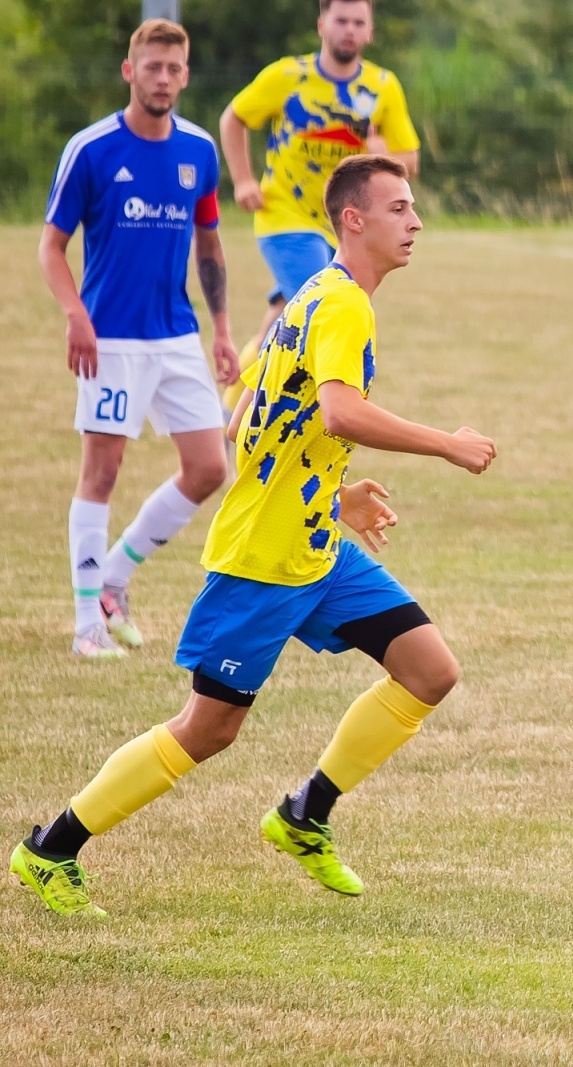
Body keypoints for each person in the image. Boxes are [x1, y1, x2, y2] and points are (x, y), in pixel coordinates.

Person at [10, 156, 498, 918]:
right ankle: (51, 848)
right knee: (208, 728)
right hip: (264, 561)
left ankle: (305, 813)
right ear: (354, 221)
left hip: (314, 548)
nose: (417, 221)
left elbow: (249, 422)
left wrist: (333, 497)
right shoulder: (340, 307)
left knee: (429, 669)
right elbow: (336, 412)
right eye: (400, 208)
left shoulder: (309, 299)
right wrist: (447, 443)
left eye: (415, 207)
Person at [39, 19, 239, 660]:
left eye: (174, 69)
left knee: (210, 467)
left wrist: (223, 331)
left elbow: (209, 245)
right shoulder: (92, 149)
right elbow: (50, 247)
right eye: (152, 67)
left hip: (177, 334)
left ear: (185, 75)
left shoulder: (200, 150)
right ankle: (86, 627)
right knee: (101, 473)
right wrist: (76, 315)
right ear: (130, 71)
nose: (163, 78)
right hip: (112, 340)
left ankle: (115, 580)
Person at [219, 0, 420, 411]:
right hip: (285, 216)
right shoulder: (288, 76)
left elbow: (408, 163)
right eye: (340, 20)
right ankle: (282, 412)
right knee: (319, 310)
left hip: (347, 226)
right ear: (321, 25)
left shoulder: (383, 87)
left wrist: (376, 147)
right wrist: (242, 180)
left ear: (370, 32)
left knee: (283, 317)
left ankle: (232, 407)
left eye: (358, 22)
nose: (349, 29)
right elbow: (234, 117)